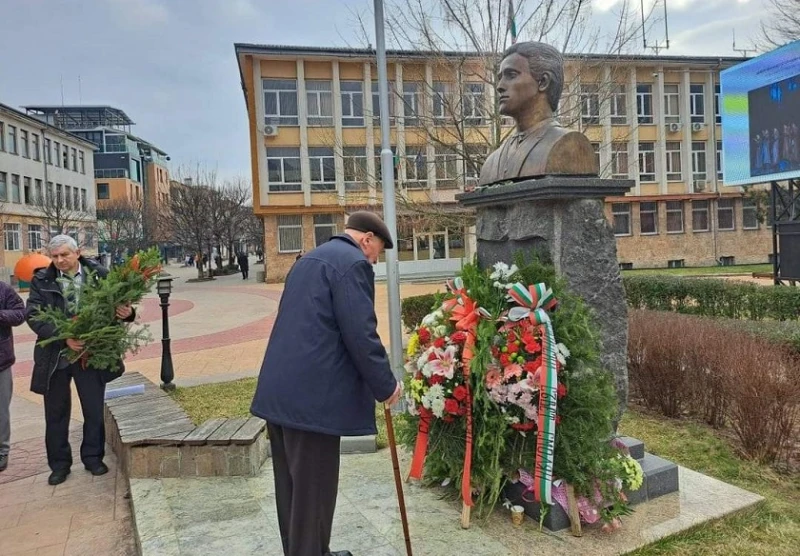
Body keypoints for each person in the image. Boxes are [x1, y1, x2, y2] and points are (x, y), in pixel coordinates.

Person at [251, 211, 402, 556]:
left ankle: (308, 551)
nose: (374, 260)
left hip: (280, 392)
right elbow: (360, 334)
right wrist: (387, 385)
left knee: (292, 490)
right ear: (365, 239)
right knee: (314, 492)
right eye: (376, 251)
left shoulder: (309, 259)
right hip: (312, 401)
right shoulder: (352, 263)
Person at [26, 235, 136, 486]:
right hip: (56, 357)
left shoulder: (100, 275)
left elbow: (118, 307)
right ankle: (59, 465)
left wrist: (128, 313)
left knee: (93, 409)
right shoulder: (41, 280)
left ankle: (92, 458)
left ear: (78, 253)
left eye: (64, 254)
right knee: (56, 413)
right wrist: (64, 338)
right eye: (54, 256)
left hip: (91, 355)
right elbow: (33, 316)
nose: (59, 260)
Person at [478, 41, 598, 186]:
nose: (500, 86)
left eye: (511, 75)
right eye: (500, 78)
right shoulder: (493, 161)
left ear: (543, 82)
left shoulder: (571, 145)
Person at [0, 280, 26, 472]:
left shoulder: (3, 289)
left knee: (1, 410)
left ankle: (2, 450)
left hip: (1, 362)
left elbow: (20, 313)